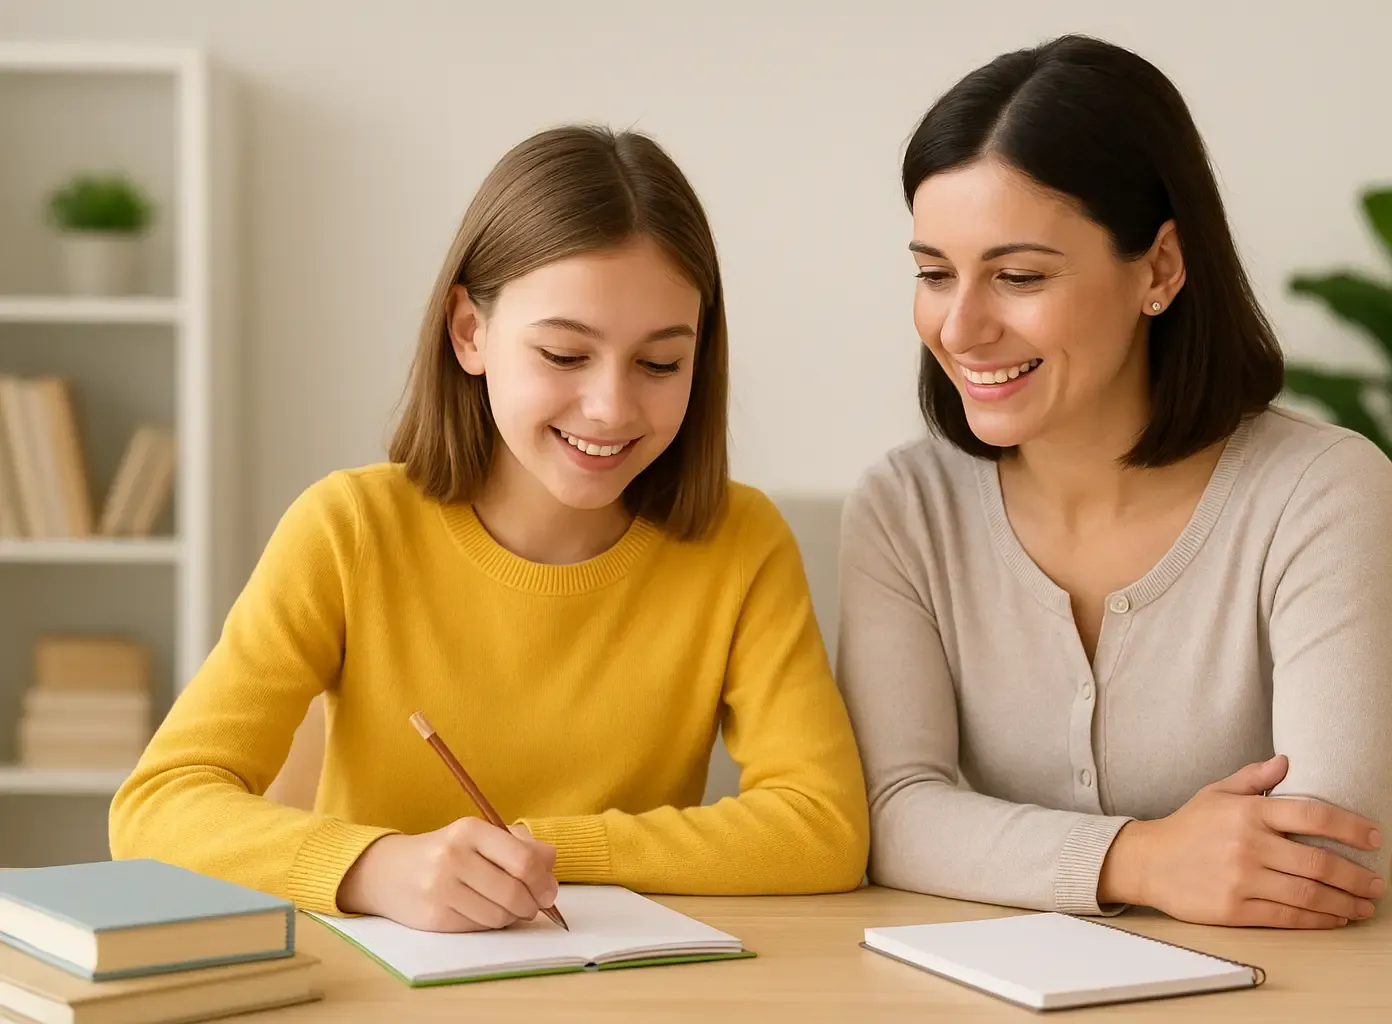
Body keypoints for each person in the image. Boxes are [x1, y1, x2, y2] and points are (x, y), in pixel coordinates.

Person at [110, 125, 869, 931]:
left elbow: (824, 829)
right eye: (566, 356)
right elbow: (157, 808)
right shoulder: (349, 528)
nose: (612, 407)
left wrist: (541, 849)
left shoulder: (740, 541)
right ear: (470, 332)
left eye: (659, 364)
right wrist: (373, 867)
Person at [836, 35, 1392, 930]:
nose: (960, 326)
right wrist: (1138, 859)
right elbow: (888, 815)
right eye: (933, 273)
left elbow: (1320, 860)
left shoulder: (1322, 492)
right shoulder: (905, 509)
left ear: (1160, 268)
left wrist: (1001, 849)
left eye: (1019, 275)